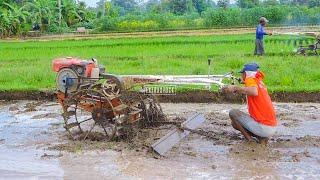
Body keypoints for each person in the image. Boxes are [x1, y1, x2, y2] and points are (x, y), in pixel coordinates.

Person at [222, 63, 277, 145]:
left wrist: (235, 88)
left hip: (263, 128)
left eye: (242, 74)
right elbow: (250, 87)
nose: (242, 76)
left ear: (246, 74)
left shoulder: (250, 80)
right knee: (235, 122)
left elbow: (254, 91)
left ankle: (250, 140)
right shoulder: (259, 82)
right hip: (271, 128)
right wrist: (241, 85)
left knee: (233, 113)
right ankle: (261, 138)